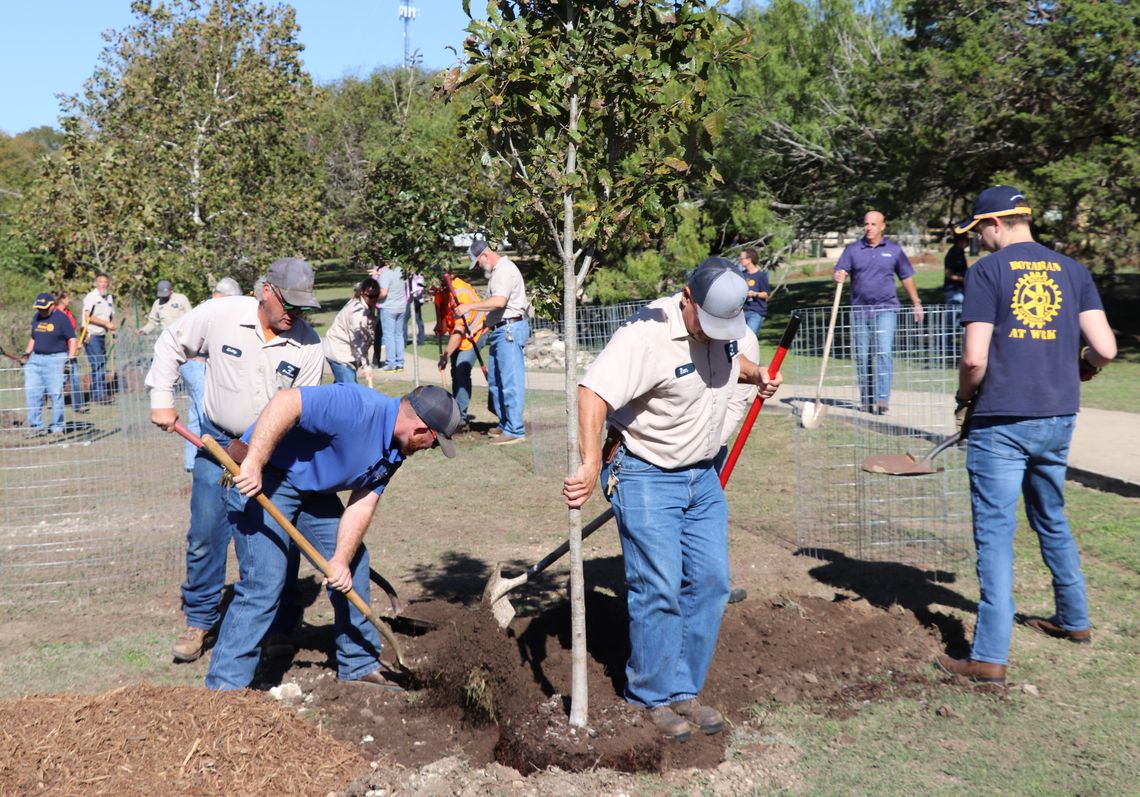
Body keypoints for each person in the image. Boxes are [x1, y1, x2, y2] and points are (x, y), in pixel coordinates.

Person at [562, 258, 783, 741]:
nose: (712, 334)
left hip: (702, 475)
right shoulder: (645, 335)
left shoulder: (724, 332)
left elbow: (730, 363)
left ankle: (683, 689)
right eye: (706, 324)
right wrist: (590, 463)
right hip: (644, 472)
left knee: (711, 582)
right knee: (658, 585)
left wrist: (754, 374)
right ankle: (651, 696)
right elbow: (592, 393)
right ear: (687, 297)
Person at [935, 186, 1117, 685]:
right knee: (1051, 517)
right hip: (1057, 416)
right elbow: (1105, 347)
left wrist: (962, 399)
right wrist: (1083, 369)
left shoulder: (987, 273)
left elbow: (974, 358)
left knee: (995, 535)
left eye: (979, 232)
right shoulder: (1073, 271)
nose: (979, 242)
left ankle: (989, 655)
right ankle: (1074, 619)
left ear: (995, 223)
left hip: (1001, 423)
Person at [206, 383, 462, 690]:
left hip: (312, 491)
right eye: (434, 444)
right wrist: (254, 462)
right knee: (264, 581)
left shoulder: (395, 449)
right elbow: (287, 401)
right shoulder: (356, 406)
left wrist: (340, 559)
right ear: (422, 429)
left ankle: (358, 663)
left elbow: (364, 502)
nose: (429, 450)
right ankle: (224, 690)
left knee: (355, 562)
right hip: (266, 477)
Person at [145, 258, 324, 663]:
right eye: (289, 305)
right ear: (266, 291)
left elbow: (301, 411)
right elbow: (171, 342)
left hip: (274, 453)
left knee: (273, 539)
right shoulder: (221, 314)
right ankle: (201, 618)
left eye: (302, 308)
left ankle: (279, 625)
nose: (294, 315)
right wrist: (161, 399)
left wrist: (256, 453)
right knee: (206, 536)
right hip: (216, 444)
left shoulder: (309, 346)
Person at [834, 211, 924, 414]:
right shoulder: (853, 249)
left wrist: (916, 302)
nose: (869, 228)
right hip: (859, 310)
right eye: (866, 224)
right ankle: (867, 399)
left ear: (883, 226)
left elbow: (906, 276)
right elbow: (840, 271)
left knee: (883, 352)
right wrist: (838, 275)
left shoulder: (893, 250)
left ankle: (882, 399)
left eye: (873, 224)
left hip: (886, 309)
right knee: (863, 356)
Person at [455, 240, 530, 445]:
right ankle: (506, 423)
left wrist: (469, 307)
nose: (479, 267)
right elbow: (496, 310)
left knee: (510, 382)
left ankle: (515, 429)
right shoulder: (497, 272)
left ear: (485, 256)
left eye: (478, 262)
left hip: (509, 331)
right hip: (500, 330)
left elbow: (499, 302)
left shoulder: (504, 270)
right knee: (497, 382)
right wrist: (480, 328)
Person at [21, 293, 77, 438]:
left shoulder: (61, 318)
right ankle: (36, 427)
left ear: (52, 305)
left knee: (55, 394)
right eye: (39, 308)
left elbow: (72, 338)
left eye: (44, 308)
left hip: (56, 359)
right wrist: (26, 354)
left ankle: (57, 427)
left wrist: (70, 359)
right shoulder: (37, 317)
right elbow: (33, 337)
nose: (41, 311)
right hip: (36, 359)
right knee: (32, 393)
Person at [436, 272, 488, 426]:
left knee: (461, 370)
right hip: (460, 335)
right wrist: (440, 325)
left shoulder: (460, 293)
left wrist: (445, 355)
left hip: (475, 334)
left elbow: (459, 331)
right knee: (455, 373)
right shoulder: (443, 291)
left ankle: (460, 418)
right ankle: (456, 411)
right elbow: (446, 317)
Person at [324, 277, 380, 384]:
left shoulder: (367, 307)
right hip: (339, 352)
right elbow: (358, 342)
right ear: (363, 293)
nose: (374, 299)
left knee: (341, 389)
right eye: (371, 296)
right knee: (350, 390)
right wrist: (366, 366)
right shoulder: (357, 313)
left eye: (376, 296)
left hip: (349, 353)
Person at [81, 272, 116, 403]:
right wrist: (106, 323)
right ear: (96, 283)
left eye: (105, 282)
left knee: (101, 364)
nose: (103, 284)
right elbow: (87, 317)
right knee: (98, 364)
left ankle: (98, 392)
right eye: (101, 282)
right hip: (91, 334)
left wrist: (113, 332)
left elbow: (110, 316)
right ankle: (99, 395)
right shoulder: (91, 297)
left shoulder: (109, 298)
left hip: (102, 335)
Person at [55, 290, 87, 414]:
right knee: (61, 379)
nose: (70, 300)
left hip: (71, 350)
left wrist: (76, 343)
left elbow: (72, 331)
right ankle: (52, 400)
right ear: (62, 299)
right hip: (60, 351)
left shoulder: (68, 313)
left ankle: (78, 405)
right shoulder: (55, 314)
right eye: (68, 298)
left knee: (74, 377)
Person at [377, 261, 406, 371]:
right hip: (401, 306)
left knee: (389, 336)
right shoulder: (402, 270)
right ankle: (400, 362)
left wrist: (373, 295)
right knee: (399, 335)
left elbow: (383, 292)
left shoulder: (386, 273)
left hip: (389, 307)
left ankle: (391, 363)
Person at [737, 247, 770, 337]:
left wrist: (754, 294)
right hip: (742, 313)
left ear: (749, 259)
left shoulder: (761, 276)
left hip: (756, 312)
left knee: (749, 337)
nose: (740, 260)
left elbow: (766, 294)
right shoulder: (741, 275)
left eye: (742, 258)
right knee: (740, 339)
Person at [404, 271, 427, 346]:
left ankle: (420, 340)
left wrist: (413, 295)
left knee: (406, 320)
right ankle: (420, 340)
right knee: (417, 319)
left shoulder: (419, 276)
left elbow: (420, 288)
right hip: (410, 299)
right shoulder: (409, 276)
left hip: (415, 300)